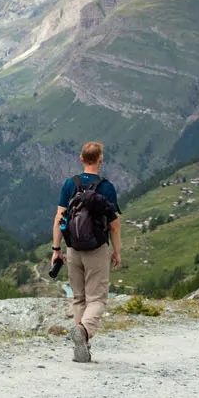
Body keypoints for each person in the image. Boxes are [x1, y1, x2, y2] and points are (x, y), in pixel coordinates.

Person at [50, 141, 121, 363]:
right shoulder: (106, 187)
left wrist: (56, 249)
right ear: (100, 159)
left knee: (79, 298)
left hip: (73, 250)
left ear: (81, 159)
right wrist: (117, 251)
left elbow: (59, 218)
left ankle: (82, 347)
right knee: (98, 299)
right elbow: (114, 224)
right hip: (96, 249)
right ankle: (83, 332)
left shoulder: (69, 184)